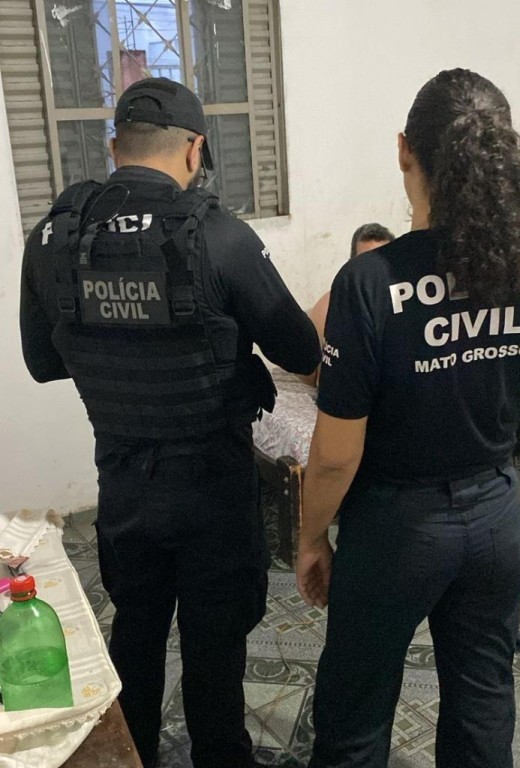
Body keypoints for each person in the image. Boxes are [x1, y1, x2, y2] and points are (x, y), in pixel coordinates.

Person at [20, 77, 320, 768]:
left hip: (125, 482)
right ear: (195, 151)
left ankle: (134, 756)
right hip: (215, 485)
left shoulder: (56, 235)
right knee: (215, 640)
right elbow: (301, 351)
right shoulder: (217, 234)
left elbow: (42, 362)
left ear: (113, 147)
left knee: (136, 631)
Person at [296, 68, 520, 768]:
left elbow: (334, 455)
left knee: (355, 712)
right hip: (496, 520)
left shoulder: (369, 282)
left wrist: (309, 538)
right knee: (483, 703)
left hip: (394, 530)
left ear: (405, 150)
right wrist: (487, 377)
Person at [308, 223, 395, 344]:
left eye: (381, 263)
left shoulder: (406, 301)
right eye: (366, 263)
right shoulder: (328, 308)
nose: (374, 271)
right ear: (351, 265)